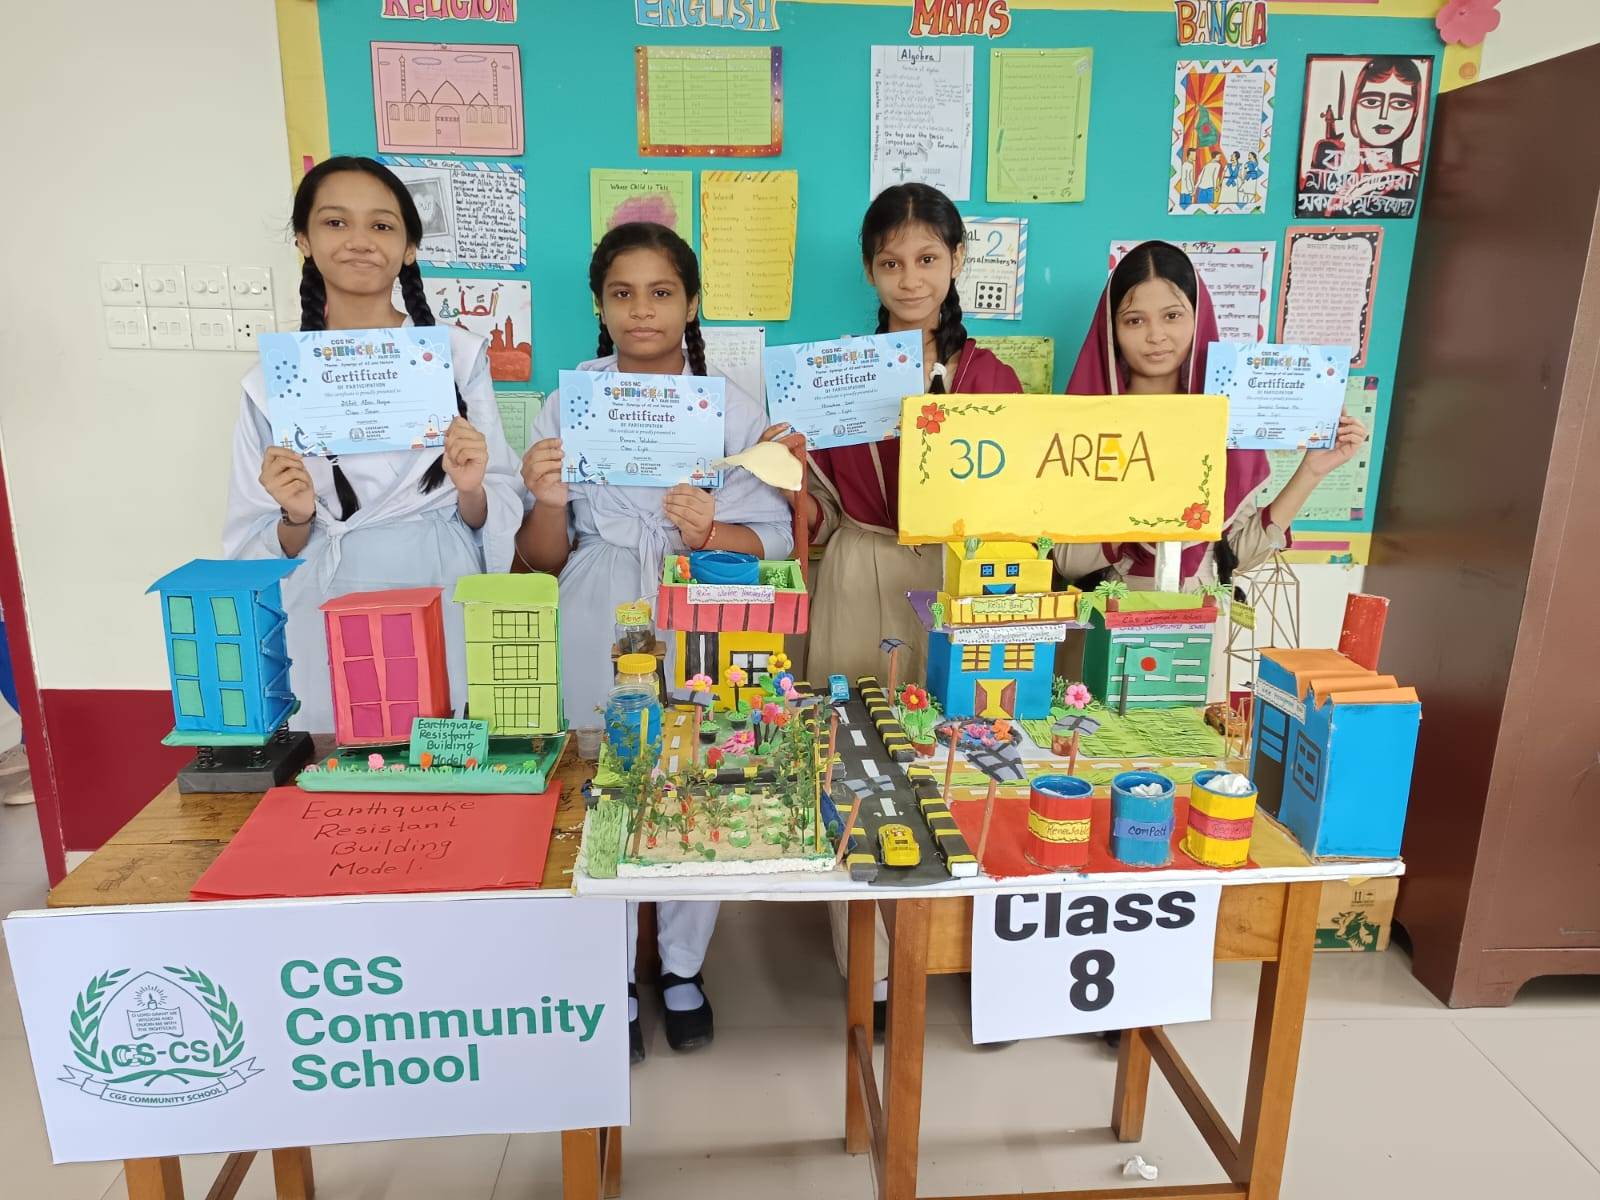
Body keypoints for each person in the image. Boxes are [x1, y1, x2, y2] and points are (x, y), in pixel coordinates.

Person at [514, 222, 792, 1063]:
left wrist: (712, 530)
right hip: (596, 600)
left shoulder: (731, 408)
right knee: (602, 782)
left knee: (694, 772)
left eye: (662, 292)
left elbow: (774, 540)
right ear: (600, 306)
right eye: (623, 293)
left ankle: (681, 968)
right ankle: (606, 969)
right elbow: (538, 559)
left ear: (691, 304)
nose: (642, 310)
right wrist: (550, 501)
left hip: (694, 603)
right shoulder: (569, 403)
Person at [761, 183, 1023, 1025]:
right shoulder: (836, 376)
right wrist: (787, 467)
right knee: (857, 756)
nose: (910, 278)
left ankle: (975, 954)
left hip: (960, 574)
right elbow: (817, 515)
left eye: (927, 258)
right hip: (862, 566)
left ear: (957, 261)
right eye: (891, 262)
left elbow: (1020, 495)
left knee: (969, 749)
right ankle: (869, 970)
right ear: (869, 271)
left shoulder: (993, 378)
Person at [223, 156, 521, 732]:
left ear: (409, 247)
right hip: (327, 591)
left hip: (439, 584)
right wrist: (295, 516)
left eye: (381, 225)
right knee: (343, 746)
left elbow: (500, 504)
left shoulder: (459, 357)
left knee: (443, 743)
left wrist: (471, 488)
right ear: (303, 240)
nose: (359, 241)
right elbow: (249, 542)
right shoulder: (271, 383)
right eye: (335, 222)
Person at [1052, 241, 1368, 592]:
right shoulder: (1085, 424)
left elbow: (1237, 556)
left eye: (1172, 316)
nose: (1156, 336)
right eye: (1135, 320)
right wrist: (1145, 500)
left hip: (1204, 611)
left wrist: (1312, 471)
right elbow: (1067, 562)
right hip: (1110, 607)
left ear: (1198, 318)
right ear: (1112, 329)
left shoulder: (1228, 418)